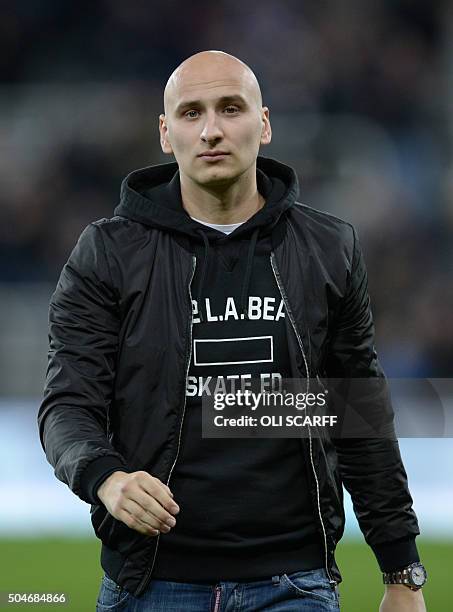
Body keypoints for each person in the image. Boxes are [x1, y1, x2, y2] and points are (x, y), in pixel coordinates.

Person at [38, 50, 427, 611]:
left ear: (264, 124)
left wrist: (402, 573)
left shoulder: (329, 247)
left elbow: (359, 416)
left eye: (230, 108)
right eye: (191, 113)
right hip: (151, 582)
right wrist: (108, 478)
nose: (213, 130)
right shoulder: (108, 253)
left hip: (296, 584)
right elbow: (67, 403)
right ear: (166, 134)